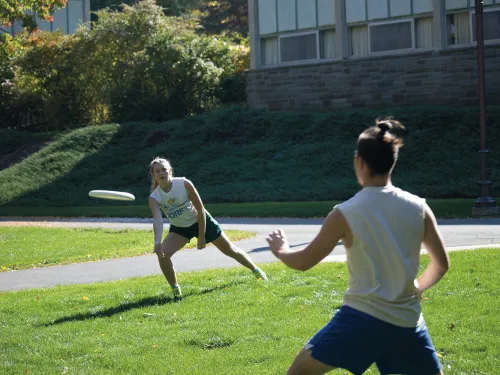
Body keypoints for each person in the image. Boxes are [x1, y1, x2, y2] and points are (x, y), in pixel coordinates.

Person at [266, 119, 450, 375]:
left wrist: (280, 249)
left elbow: (303, 262)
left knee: (298, 373)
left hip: (360, 321)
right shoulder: (419, 208)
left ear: (359, 161)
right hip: (407, 324)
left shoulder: (345, 213)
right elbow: (441, 265)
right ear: (392, 162)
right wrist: (418, 286)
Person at [148, 157, 268, 302]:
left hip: (201, 221)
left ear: (170, 171)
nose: (162, 172)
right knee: (163, 255)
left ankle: (256, 271)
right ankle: (176, 290)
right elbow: (158, 220)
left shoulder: (184, 184)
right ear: (153, 174)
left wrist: (201, 235)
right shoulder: (154, 197)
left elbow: (200, 210)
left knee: (230, 249)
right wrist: (157, 242)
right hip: (180, 228)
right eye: (158, 171)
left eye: (164, 169)